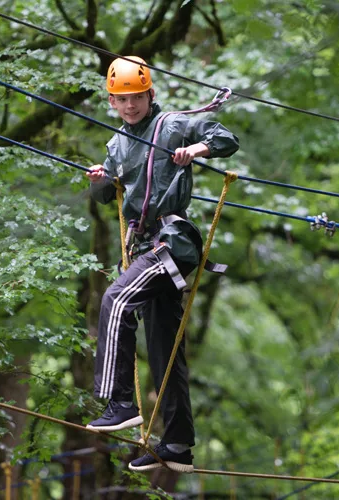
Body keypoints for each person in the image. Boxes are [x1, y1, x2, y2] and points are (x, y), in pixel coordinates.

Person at [85, 56, 240, 472]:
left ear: (149, 95)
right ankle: (177, 446)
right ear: (113, 103)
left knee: (116, 302)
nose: (130, 105)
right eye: (122, 99)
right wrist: (100, 179)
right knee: (164, 349)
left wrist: (196, 149)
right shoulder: (116, 144)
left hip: (171, 242)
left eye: (136, 97)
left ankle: (120, 402)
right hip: (143, 248)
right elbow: (103, 197)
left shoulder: (171, 125)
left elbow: (226, 138)